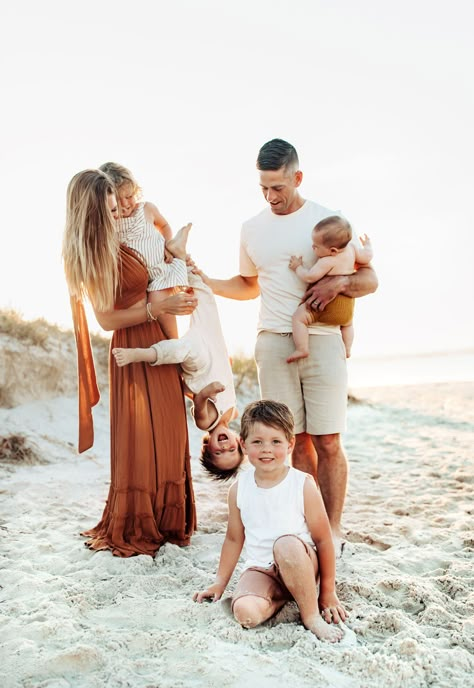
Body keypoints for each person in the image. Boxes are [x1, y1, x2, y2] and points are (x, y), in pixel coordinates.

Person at [197, 139, 378, 554]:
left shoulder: (328, 221)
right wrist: (206, 281)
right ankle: (307, 528)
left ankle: (331, 530)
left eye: (278, 187)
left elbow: (370, 280)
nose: (270, 196)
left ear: (297, 178)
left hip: (325, 340)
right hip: (273, 343)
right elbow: (247, 286)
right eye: (263, 187)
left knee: (328, 439)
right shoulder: (252, 229)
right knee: (291, 441)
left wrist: (340, 282)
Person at [62, 169, 197, 557]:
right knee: (140, 442)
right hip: (131, 347)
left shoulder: (123, 232)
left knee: (171, 432)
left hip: (159, 338)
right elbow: (106, 320)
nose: (115, 213)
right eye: (107, 207)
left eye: (116, 204)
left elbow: (157, 266)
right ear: (91, 210)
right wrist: (159, 308)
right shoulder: (91, 251)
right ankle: (140, 522)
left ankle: (170, 521)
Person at [193, 400, 347, 643]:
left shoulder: (302, 484)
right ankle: (280, 595)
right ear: (243, 444)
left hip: (300, 560)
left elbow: (323, 539)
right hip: (261, 569)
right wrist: (219, 583)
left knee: (284, 545)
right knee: (244, 612)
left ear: (290, 444)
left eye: (276, 442)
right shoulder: (238, 489)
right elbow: (234, 539)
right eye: (257, 442)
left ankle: (310, 615)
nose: (266, 449)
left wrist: (328, 592)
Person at [112, 270, 245, 481]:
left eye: (217, 452)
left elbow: (199, 400)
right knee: (206, 300)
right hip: (215, 349)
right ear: (238, 441)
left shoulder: (206, 422)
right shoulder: (231, 413)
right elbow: (197, 395)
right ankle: (187, 267)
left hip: (199, 363)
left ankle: (139, 354)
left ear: (207, 445)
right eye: (231, 450)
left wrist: (208, 391)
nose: (224, 447)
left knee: (181, 349)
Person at [99, 161, 192, 340]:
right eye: (119, 199)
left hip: (159, 271)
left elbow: (164, 225)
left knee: (161, 301)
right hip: (138, 280)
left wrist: (167, 244)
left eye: (129, 196)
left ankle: (175, 342)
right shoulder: (111, 223)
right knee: (155, 304)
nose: (126, 204)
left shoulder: (146, 209)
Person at [288, 215, 373, 362]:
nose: (312, 247)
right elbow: (367, 257)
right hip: (346, 307)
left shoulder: (327, 261)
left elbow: (309, 277)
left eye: (316, 246)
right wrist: (368, 244)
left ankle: (302, 348)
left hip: (326, 305)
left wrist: (297, 267)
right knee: (348, 325)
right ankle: (347, 349)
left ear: (333, 250)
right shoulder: (352, 249)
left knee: (298, 319)